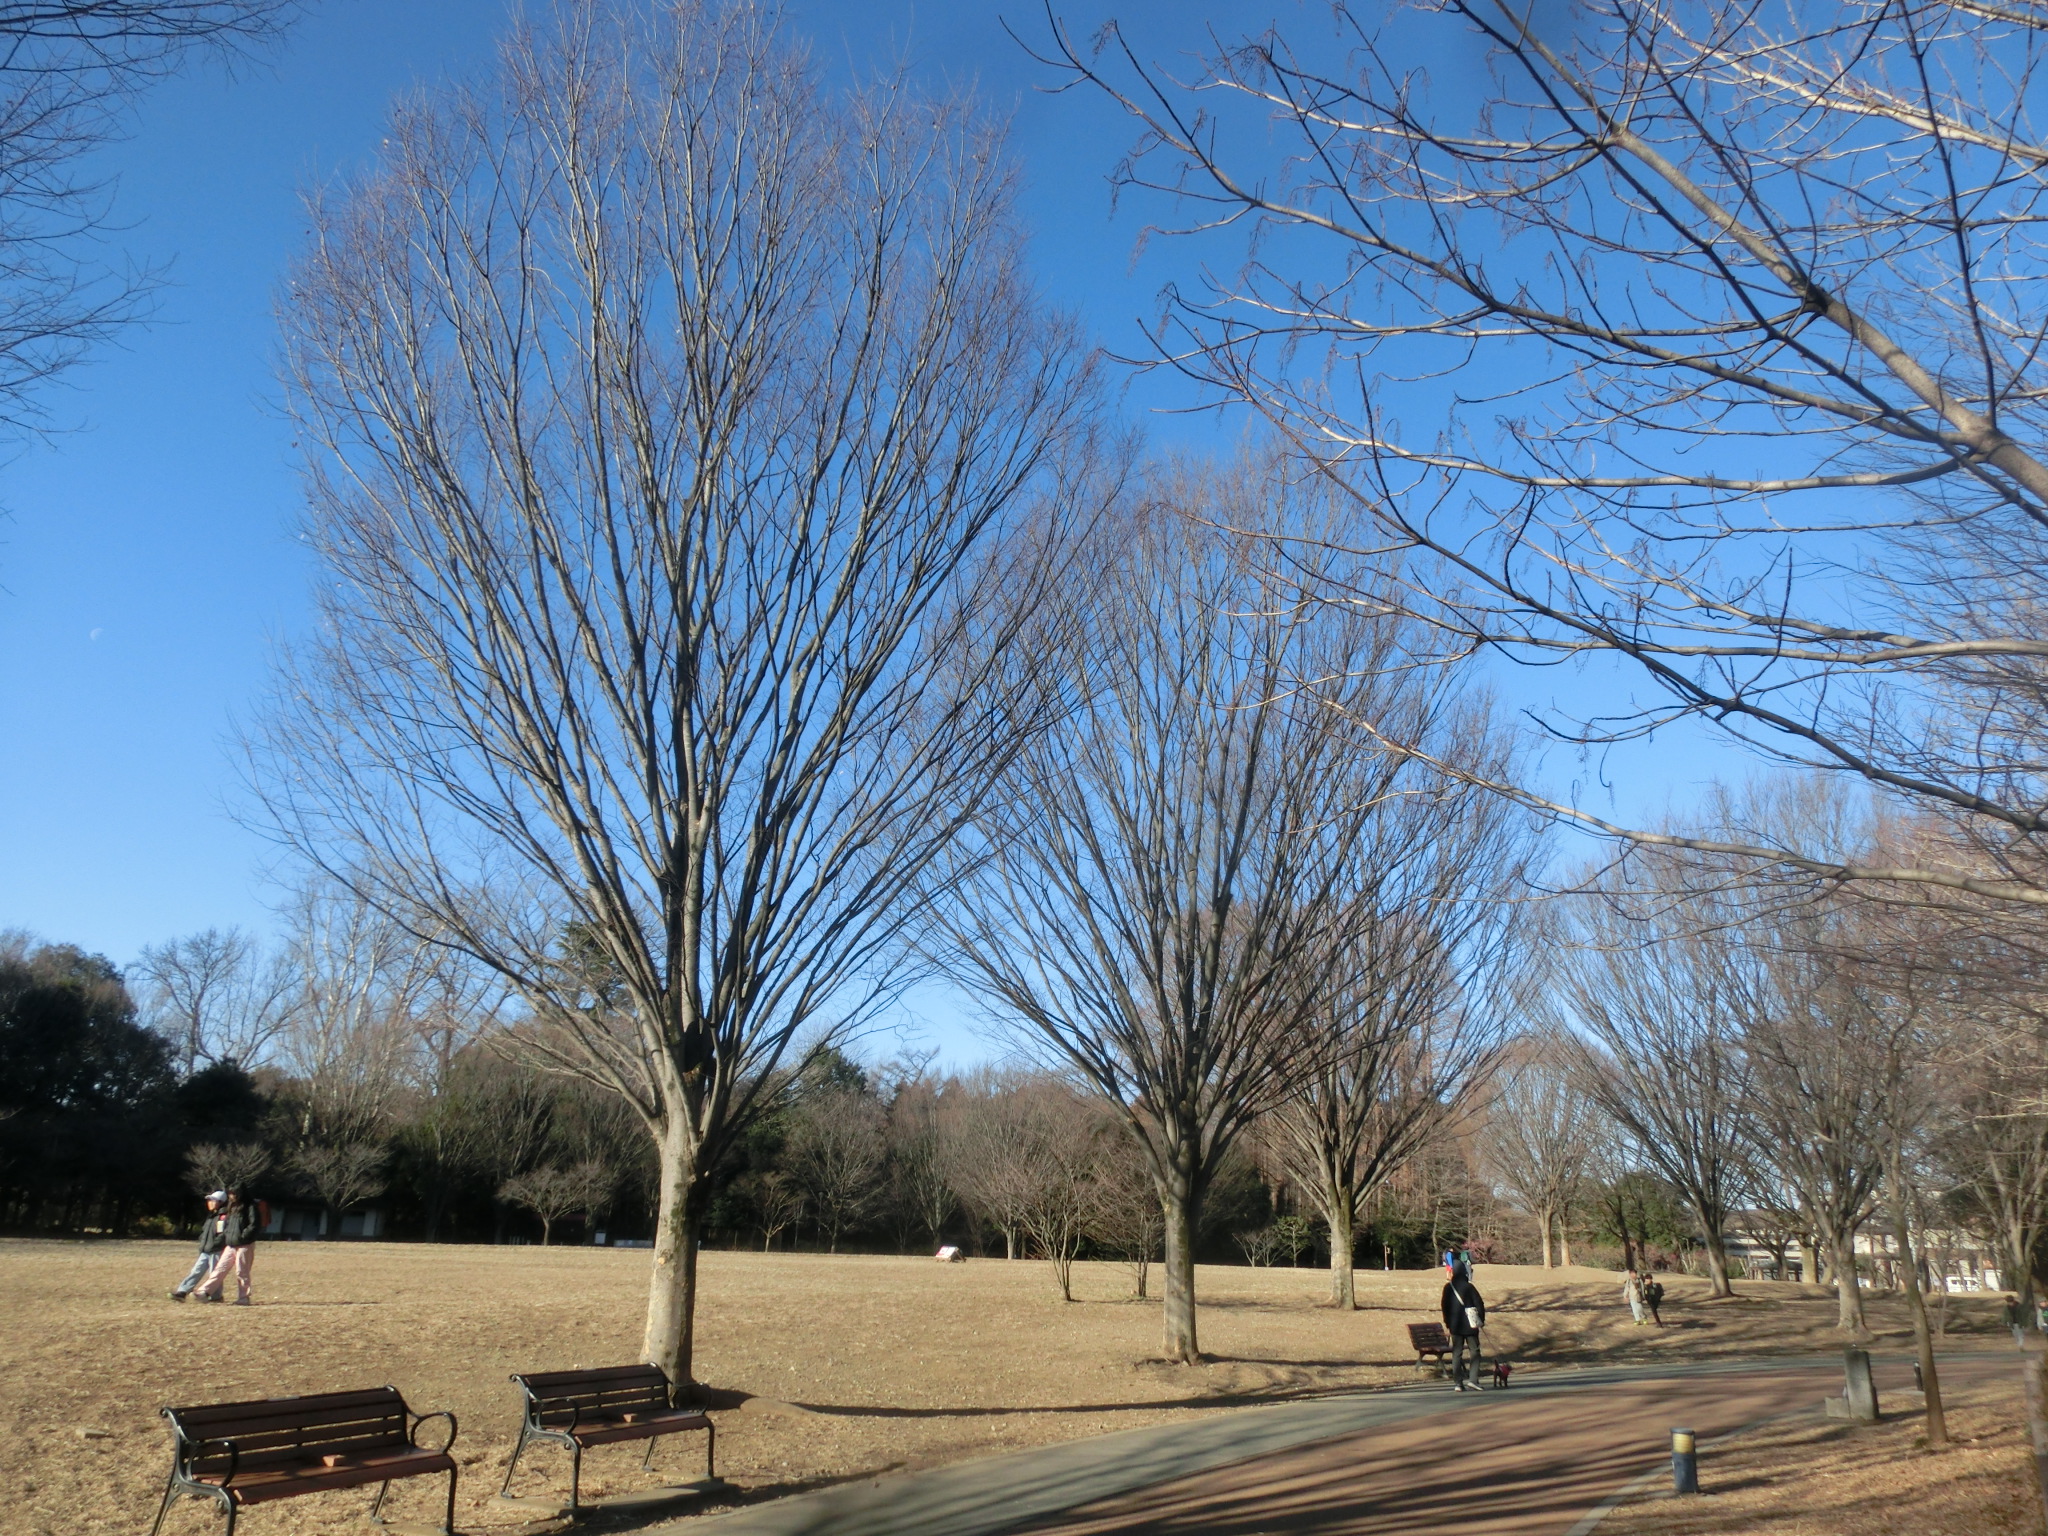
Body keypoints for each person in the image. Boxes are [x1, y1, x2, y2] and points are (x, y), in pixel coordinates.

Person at [195, 1188, 263, 1306]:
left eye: (233, 1194)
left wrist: (243, 1236)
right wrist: (228, 1235)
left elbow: (254, 1225)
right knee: (220, 1269)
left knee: (242, 1271)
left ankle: (244, 1298)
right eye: (230, 1194)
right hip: (230, 1244)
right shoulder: (231, 1207)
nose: (231, 1196)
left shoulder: (251, 1207)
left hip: (244, 1245)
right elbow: (228, 1225)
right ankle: (204, 1292)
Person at [169, 1192, 228, 1301]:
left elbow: (223, 1234)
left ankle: (216, 1296)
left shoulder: (224, 1217)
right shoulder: (211, 1216)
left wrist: (215, 1244)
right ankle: (182, 1291)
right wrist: (202, 1242)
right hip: (206, 1250)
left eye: (213, 1200)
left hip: (216, 1250)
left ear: (221, 1202)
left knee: (214, 1274)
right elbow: (204, 1232)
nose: (209, 1203)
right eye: (209, 1200)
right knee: (196, 1271)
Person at [1441, 1266, 1487, 1391]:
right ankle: (1473, 1380)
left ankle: (1458, 1383)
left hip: (1455, 1326)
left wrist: (1448, 1323)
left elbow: (1444, 1307)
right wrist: (1481, 1320)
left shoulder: (1448, 1288)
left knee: (1456, 1353)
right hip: (1470, 1325)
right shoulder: (1469, 1287)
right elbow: (1479, 1304)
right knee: (1475, 1351)